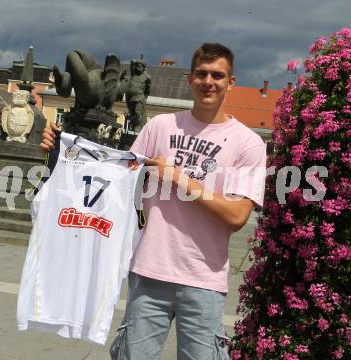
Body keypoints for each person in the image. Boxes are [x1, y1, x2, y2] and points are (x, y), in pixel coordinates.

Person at [41, 43, 266, 360]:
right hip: (149, 271)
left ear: (231, 82)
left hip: (203, 279)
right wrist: (59, 156)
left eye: (218, 75)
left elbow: (237, 215)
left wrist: (178, 178)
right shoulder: (161, 127)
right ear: (190, 78)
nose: (208, 81)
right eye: (201, 74)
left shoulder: (248, 143)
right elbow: (114, 177)